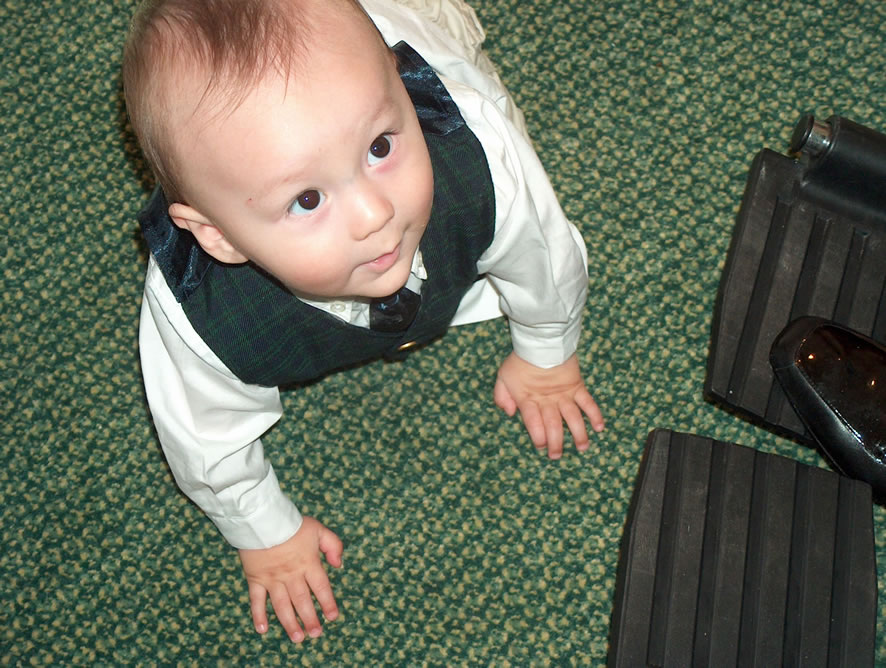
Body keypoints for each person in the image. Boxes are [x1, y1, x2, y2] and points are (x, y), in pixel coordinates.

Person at [122, 0, 604, 644]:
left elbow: (542, 251)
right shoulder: (197, 309)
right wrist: (265, 532)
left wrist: (547, 350)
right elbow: (203, 434)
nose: (376, 213)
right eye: (307, 199)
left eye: (380, 147)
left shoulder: (477, 149)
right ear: (217, 237)